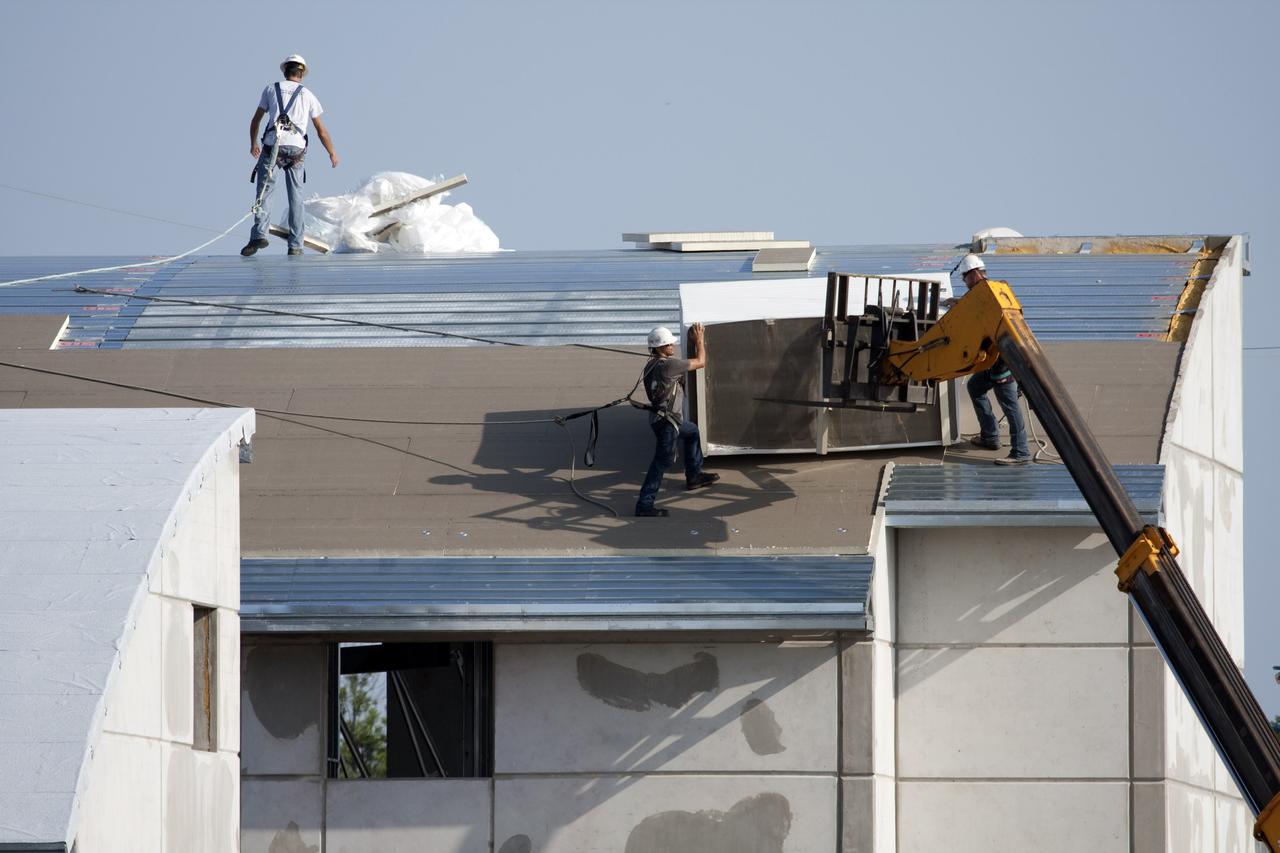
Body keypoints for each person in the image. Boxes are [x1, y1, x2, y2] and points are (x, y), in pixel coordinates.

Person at [241, 55, 339, 257]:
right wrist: (332, 153)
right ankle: (296, 245)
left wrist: (253, 144)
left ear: (284, 71)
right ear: (301, 74)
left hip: (272, 146)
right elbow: (321, 129)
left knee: (265, 192)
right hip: (296, 150)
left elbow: (256, 120)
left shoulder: (271, 89)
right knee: (296, 197)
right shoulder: (308, 95)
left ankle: (259, 234)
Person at [635, 324, 720, 517]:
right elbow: (700, 361)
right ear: (659, 348)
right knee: (660, 463)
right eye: (668, 344)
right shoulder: (670, 365)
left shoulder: (650, 366)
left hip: (661, 419)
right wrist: (699, 341)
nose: (672, 345)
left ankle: (694, 476)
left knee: (692, 433)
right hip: (668, 423)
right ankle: (644, 505)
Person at [955, 253, 1031, 465]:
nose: (964, 282)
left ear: (974, 274)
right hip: (993, 359)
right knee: (975, 387)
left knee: (1010, 405)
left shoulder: (986, 292)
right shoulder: (987, 291)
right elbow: (972, 307)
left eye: (965, 277)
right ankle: (990, 435)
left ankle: (1021, 452)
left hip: (1003, 361)